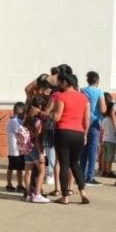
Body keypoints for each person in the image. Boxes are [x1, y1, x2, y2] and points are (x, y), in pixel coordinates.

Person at [51, 72, 91, 204]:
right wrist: (85, 134)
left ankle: (65, 196)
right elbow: (87, 118)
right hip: (78, 133)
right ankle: (83, 192)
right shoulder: (84, 98)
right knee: (75, 163)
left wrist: (45, 114)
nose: (59, 85)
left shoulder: (61, 96)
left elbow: (57, 117)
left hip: (63, 131)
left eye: (60, 82)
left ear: (65, 82)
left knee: (64, 164)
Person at [80, 71, 107, 186]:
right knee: (92, 150)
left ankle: (81, 174)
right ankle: (90, 176)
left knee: (83, 149)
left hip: (83, 121)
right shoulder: (99, 91)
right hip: (95, 122)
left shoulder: (82, 90)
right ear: (97, 80)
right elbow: (102, 109)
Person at [22, 95, 50, 203]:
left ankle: (28, 194)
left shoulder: (26, 119)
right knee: (42, 171)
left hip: (26, 148)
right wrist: (41, 153)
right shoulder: (38, 121)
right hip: (35, 148)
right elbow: (38, 139)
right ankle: (37, 194)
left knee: (28, 172)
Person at [5, 102, 25, 192]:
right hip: (15, 149)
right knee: (12, 167)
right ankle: (10, 184)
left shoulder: (16, 120)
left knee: (18, 168)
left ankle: (19, 184)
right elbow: (20, 132)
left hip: (18, 149)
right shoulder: (14, 121)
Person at [100, 99, 116, 178]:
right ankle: (109, 171)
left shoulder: (104, 119)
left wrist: (101, 140)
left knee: (105, 156)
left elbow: (102, 130)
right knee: (110, 157)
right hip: (112, 141)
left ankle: (104, 170)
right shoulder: (114, 121)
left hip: (105, 140)